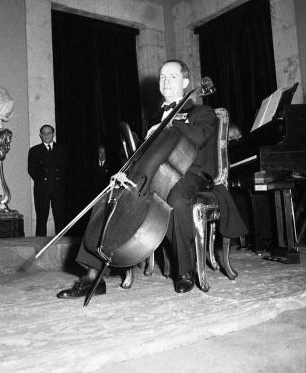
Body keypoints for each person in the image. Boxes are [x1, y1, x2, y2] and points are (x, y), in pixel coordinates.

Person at [57, 59, 246, 299]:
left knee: (178, 198)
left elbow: (199, 137)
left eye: (173, 76)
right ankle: (93, 276)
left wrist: (169, 125)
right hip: (154, 177)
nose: (166, 81)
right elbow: (144, 159)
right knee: (110, 196)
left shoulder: (202, 112)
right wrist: (124, 172)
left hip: (192, 174)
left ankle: (184, 271)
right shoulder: (155, 119)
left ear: (186, 82)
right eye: (162, 77)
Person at [28, 125, 67, 236]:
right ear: (40, 135)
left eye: (49, 133)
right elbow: (31, 170)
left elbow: (66, 167)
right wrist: (42, 181)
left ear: (53, 134)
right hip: (42, 189)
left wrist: (59, 182)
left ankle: (61, 241)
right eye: (44, 133)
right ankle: (40, 244)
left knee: (60, 217)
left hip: (58, 188)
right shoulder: (34, 150)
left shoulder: (62, 149)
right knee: (41, 218)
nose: (46, 135)